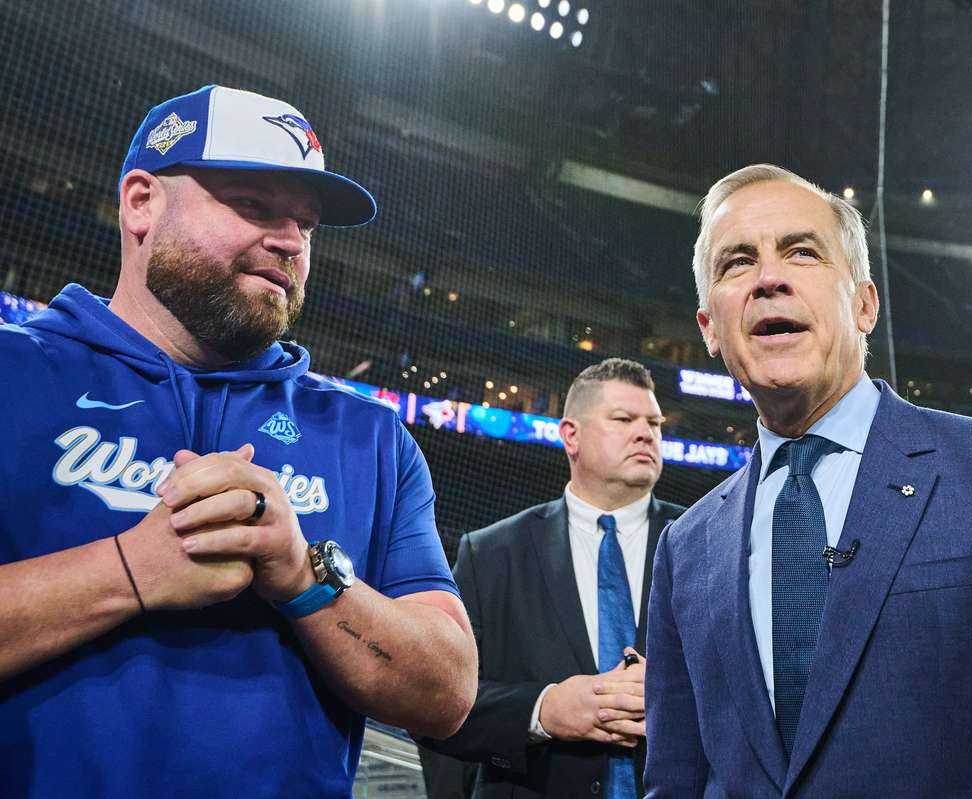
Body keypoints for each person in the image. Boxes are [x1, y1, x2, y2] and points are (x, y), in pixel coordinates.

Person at [0, 85, 477, 798]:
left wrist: (304, 574)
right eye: (253, 204)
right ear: (141, 203)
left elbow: (448, 694)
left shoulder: (370, 438)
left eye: (306, 224)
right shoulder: (14, 372)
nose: (290, 241)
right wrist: (131, 570)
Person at [643, 164, 972, 798]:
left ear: (865, 304)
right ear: (709, 326)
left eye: (802, 252)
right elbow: (674, 783)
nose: (768, 278)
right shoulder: (686, 546)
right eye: (737, 263)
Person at [421, 358, 686, 798]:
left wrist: (676, 692)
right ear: (571, 435)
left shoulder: (708, 541)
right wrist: (542, 710)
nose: (646, 433)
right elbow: (435, 701)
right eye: (624, 419)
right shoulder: (490, 553)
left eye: (655, 423)